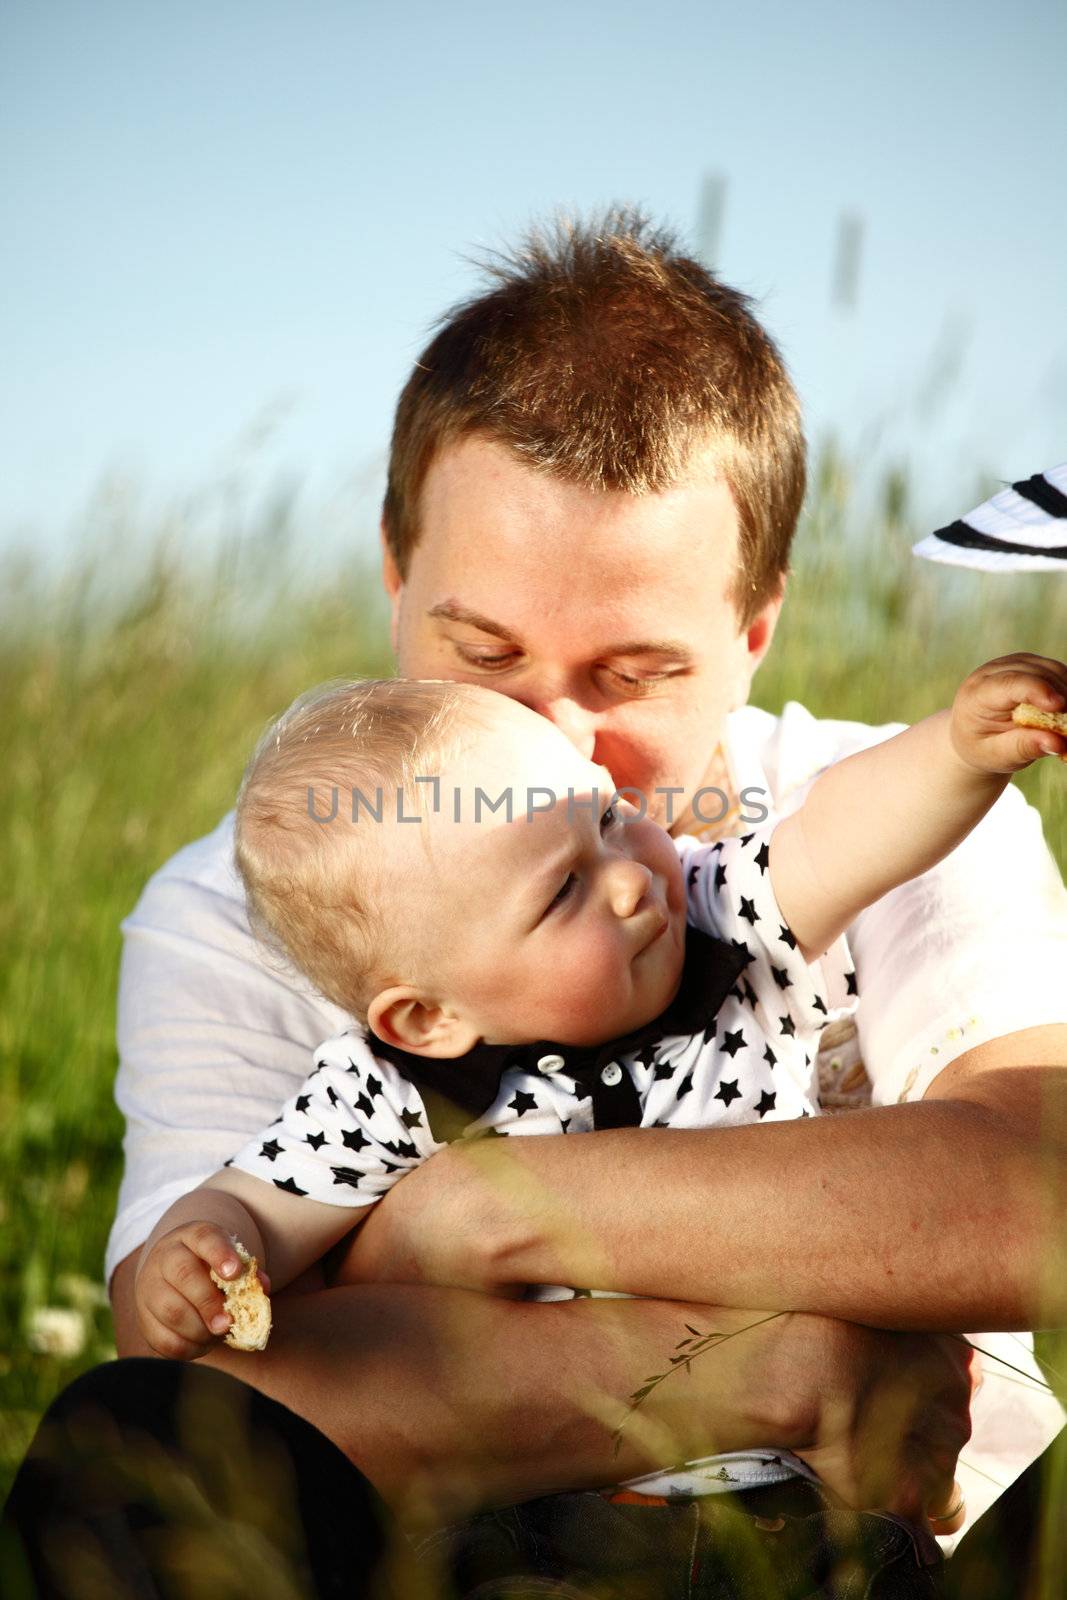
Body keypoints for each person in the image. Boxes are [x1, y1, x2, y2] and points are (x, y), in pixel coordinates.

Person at [5, 211, 1067, 1597]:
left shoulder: (771, 845)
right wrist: (792, 1359)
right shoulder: (257, 901)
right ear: (398, 580)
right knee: (123, 1459)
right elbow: (228, 1368)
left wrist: (468, 1217)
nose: (562, 747)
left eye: (630, 676)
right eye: (484, 654)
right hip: (480, 1537)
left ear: (754, 632)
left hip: (918, 1537)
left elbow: (1036, 1199)